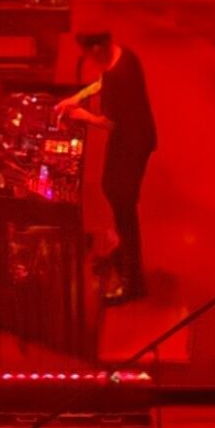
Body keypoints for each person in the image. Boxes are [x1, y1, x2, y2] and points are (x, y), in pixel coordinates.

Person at [57, 30, 157, 303]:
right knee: (112, 189)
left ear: (99, 47)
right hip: (137, 137)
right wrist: (79, 96)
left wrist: (81, 114)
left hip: (130, 142)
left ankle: (131, 281)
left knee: (121, 200)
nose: (90, 60)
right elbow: (102, 81)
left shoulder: (118, 77)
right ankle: (126, 257)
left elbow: (108, 123)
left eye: (90, 54)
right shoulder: (125, 56)